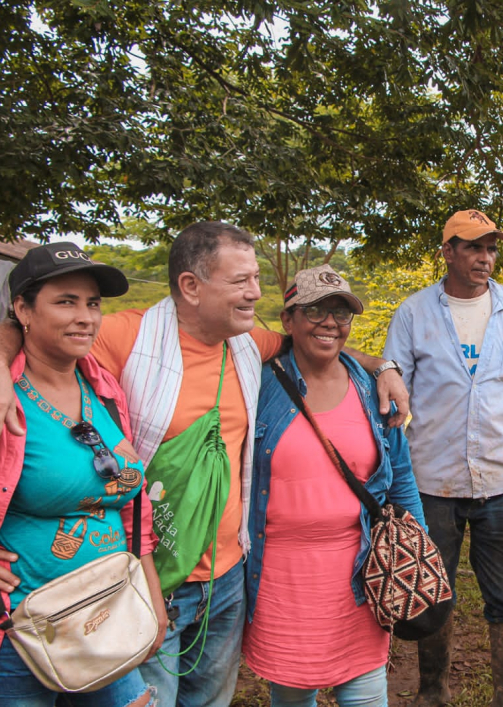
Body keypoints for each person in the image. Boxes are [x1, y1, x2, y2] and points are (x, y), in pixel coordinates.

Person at [0, 222, 410, 707]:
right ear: (190, 287)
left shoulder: (247, 342)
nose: (255, 293)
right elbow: (37, 333)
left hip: (227, 575)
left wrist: (383, 367)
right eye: (240, 281)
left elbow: (317, 342)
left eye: (256, 279)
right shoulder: (123, 336)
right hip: (150, 575)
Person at [383, 209, 503, 707]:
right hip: (433, 479)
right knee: (432, 591)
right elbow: (393, 376)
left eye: (491, 248)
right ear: (447, 251)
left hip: (502, 478)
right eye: (473, 247)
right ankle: (433, 693)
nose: (484, 258)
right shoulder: (414, 312)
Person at [244, 264, 425, 707]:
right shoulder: (256, 384)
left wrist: (420, 546)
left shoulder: (372, 389)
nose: (330, 322)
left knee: (365, 695)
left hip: (360, 572)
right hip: (281, 579)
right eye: (315, 310)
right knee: (291, 694)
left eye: (341, 313)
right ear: (288, 320)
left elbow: (399, 474)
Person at [0, 242, 166, 707]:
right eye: (65, 301)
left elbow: (135, 507)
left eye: (92, 304)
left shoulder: (102, 385)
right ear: (22, 310)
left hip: (108, 616)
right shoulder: (6, 396)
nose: (85, 317)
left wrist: (151, 597)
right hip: (24, 630)